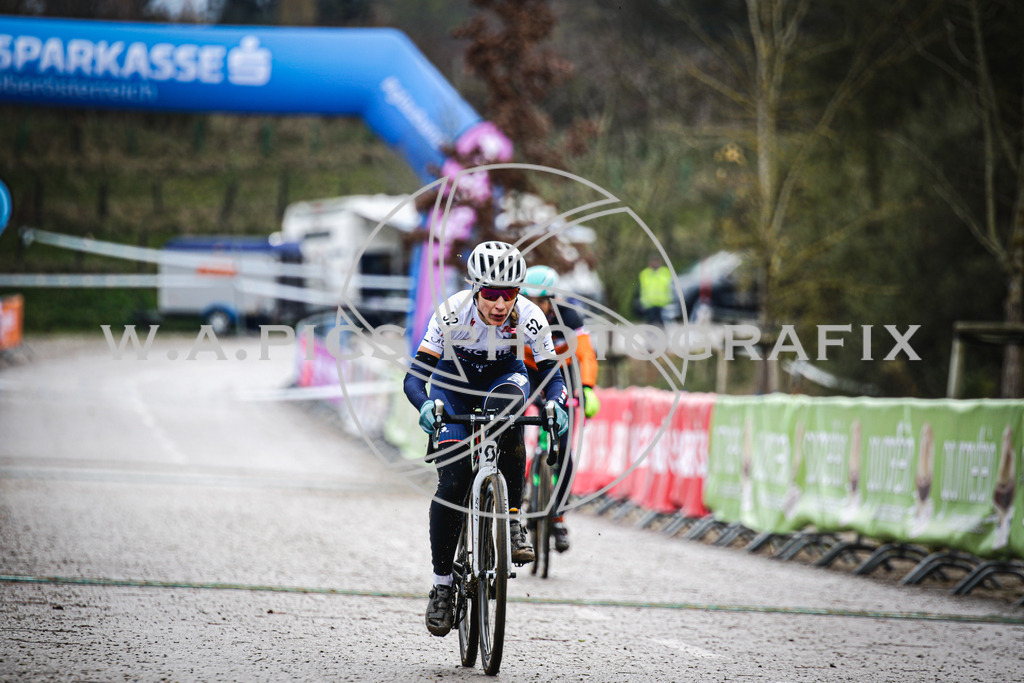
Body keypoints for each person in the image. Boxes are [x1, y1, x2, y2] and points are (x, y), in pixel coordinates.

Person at [403, 240, 569, 638]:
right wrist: (425, 405)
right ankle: (443, 587)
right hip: (453, 387)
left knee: (509, 418)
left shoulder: (529, 317)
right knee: (454, 482)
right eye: (491, 294)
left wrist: (556, 403)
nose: (500, 304)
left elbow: (553, 375)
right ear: (475, 288)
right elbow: (414, 377)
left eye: (509, 293)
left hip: (502, 381)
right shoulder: (450, 313)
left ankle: (512, 520)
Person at [520, 265, 600, 552]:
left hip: (559, 375)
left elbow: (586, 355)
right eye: (528, 299)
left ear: (553, 300)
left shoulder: (571, 316)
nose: (535, 307)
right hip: (528, 371)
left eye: (541, 301)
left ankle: (558, 516)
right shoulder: (517, 315)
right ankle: (518, 500)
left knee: (564, 451)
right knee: (514, 430)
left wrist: (587, 389)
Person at [638, 254, 673, 325]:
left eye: (656, 262)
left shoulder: (665, 272)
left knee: (662, 323)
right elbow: (642, 289)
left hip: (663, 303)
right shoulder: (644, 273)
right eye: (653, 262)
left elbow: (670, 286)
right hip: (649, 303)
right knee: (650, 322)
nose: (654, 264)